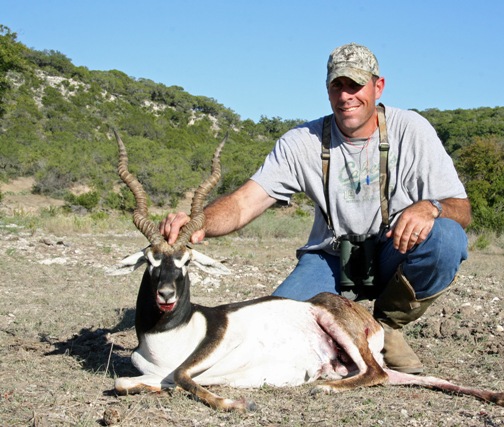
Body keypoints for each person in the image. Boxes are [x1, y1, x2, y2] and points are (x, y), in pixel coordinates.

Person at [161, 43, 471, 374]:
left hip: (391, 249)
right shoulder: (301, 141)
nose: (346, 95)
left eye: (356, 85)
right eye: (337, 85)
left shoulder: (412, 129)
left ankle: (385, 327)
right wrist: (199, 222)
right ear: (327, 90)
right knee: (276, 324)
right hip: (330, 257)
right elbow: (244, 202)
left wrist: (431, 207)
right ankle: (347, 333)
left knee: (447, 239)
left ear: (378, 87)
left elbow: (462, 209)